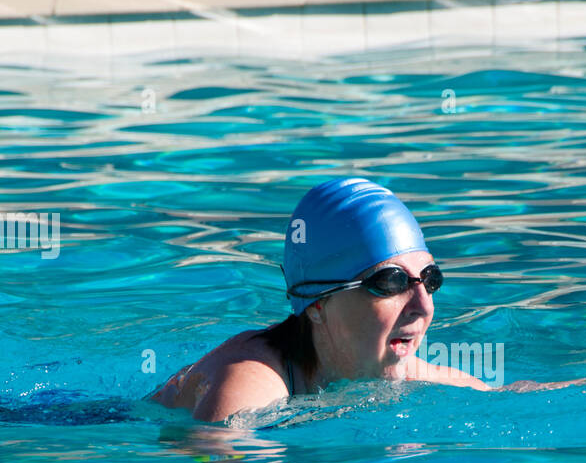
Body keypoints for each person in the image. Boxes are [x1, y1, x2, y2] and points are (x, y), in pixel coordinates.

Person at [151, 177, 489, 422]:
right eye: (390, 282)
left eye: (430, 279)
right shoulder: (245, 385)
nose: (424, 306)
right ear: (316, 303)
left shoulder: (390, 360)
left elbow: (507, 396)